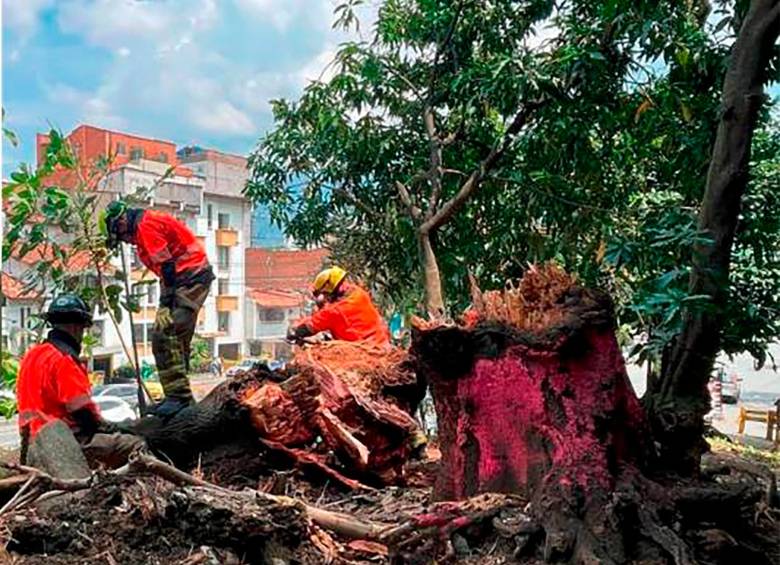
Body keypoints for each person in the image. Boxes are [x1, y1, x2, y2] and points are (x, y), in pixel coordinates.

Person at [99, 201, 215, 417]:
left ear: (122, 222)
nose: (125, 241)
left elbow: (167, 267)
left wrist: (164, 304)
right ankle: (181, 398)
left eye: (121, 236)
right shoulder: (145, 225)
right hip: (185, 279)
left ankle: (178, 397)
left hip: (189, 278)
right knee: (177, 338)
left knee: (165, 334)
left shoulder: (145, 227)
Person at [16, 294, 144, 468]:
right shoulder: (64, 359)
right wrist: (111, 428)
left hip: (31, 442)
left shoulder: (32, 355)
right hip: (66, 443)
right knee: (137, 445)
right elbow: (82, 414)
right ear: (76, 328)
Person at [286, 266, 390, 346]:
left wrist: (295, 331)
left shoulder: (334, 311)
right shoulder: (358, 292)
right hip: (381, 342)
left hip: (364, 351)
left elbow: (311, 326)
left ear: (329, 290)